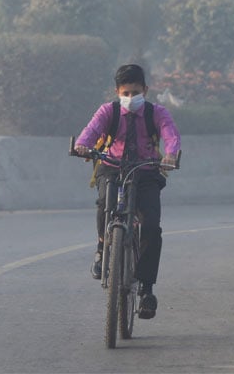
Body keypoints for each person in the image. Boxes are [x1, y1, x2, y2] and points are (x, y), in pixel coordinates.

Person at [74, 64, 181, 319]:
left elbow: (171, 135)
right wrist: (82, 145)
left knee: (152, 227)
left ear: (145, 89)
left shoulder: (157, 113)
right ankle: (102, 249)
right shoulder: (107, 111)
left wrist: (170, 154)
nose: (131, 98)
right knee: (104, 204)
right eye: (126, 93)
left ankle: (146, 289)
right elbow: (90, 132)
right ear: (117, 92)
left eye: (136, 92)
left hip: (146, 171)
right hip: (112, 168)